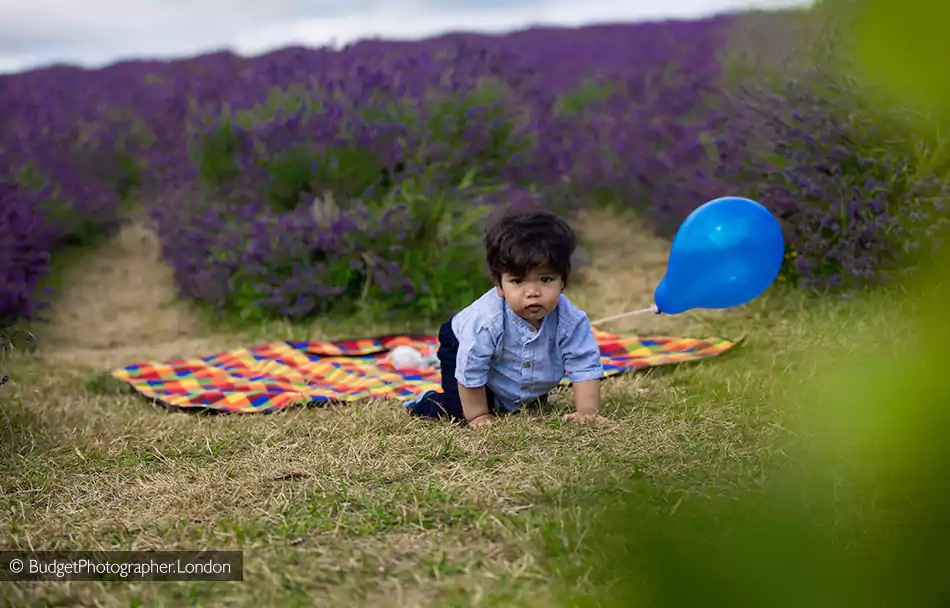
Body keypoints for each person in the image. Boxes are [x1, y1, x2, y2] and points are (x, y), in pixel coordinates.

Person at [405, 206, 607, 428]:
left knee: (517, 398)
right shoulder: (486, 321)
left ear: (563, 281)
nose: (532, 292)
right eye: (518, 281)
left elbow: (584, 363)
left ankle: (514, 395)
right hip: (460, 344)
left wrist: (587, 412)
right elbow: (471, 366)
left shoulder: (572, 321)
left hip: (507, 363)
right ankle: (425, 402)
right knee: (459, 411)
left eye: (546, 279)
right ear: (499, 285)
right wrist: (479, 415)